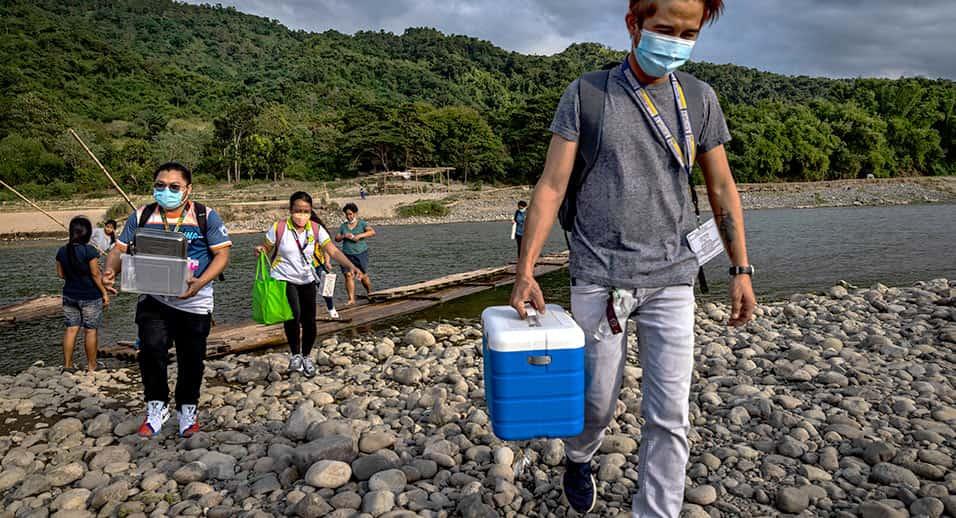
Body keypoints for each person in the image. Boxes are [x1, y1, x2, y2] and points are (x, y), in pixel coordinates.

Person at [509, 1, 756, 516]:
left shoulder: (700, 98)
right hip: (601, 276)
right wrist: (526, 270)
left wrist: (741, 269)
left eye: (688, 33)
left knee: (670, 415)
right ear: (634, 25)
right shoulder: (588, 93)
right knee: (597, 402)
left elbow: (721, 187)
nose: (676, 41)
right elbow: (552, 186)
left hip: (673, 278)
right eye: (664, 29)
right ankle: (580, 456)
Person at [103, 162, 232, 438]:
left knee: (192, 358)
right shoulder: (142, 215)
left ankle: (187, 408)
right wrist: (109, 271)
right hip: (153, 297)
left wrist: (201, 282)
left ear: (188, 189)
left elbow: (221, 255)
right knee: (151, 352)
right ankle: (156, 406)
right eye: (160, 185)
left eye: (174, 186)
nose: (166, 191)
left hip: (194, 300)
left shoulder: (205, 216)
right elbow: (119, 250)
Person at [255, 192, 361, 376]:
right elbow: (266, 247)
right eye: (298, 211)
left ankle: (306, 356)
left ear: (311, 211)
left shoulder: (316, 229)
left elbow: (333, 251)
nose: (301, 215)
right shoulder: (279, 227)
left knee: (309, 320)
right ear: (290, 210)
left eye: (305, 211)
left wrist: (351, 265)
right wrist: (260, 250)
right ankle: (295, 354)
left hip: (307, 278)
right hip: (283, 277)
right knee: (293, 315)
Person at [55, 216, 110, 372]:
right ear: (87, 233)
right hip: (90, 297)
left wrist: (74, 278)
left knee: (71, 329)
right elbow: (95, 275)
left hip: (69, 295)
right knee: (90, 330)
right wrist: (104, 292)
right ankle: (92, 366)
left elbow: (60, 274)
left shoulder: (62, 250)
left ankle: (67, 366)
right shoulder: (89, 251)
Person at [335, 203, 375, 305]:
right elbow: (337, 238)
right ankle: (351, 299)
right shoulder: (343, 226)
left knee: (362, 276)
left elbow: (372, 232)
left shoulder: (362, 224)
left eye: (350, 214)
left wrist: (359, 236)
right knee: (348, 275)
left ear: (355, 213)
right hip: (346, 255)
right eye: (347, 214)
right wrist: (344, 236)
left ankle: (370, 292)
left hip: (360, 253)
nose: (349, 216)